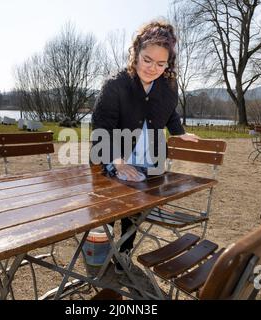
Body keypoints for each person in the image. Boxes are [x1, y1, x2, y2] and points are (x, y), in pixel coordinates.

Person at [91, 20, 199, 274]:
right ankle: (106, 248)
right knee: (120, 199)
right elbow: (101, 128)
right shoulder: (115, 85)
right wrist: (117, 160)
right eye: (147, 60)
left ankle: (123, 254)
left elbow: (169, 110)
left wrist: (179, 133)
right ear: (135, 53)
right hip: (115, 154)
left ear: (168, 64)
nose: (153, 68)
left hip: (149, 156)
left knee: (138, 201)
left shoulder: (168, 84)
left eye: (161, 64)